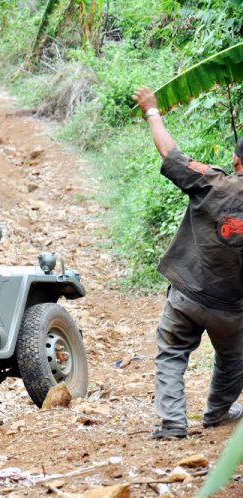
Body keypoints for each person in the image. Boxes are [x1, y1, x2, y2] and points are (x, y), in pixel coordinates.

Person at [132, 86, 243, 439]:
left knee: (171, 355)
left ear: (236, 161)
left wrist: (152, 111)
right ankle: (215, 414)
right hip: (233, 308)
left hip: (187, 293)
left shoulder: (213, 182)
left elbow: (170, 152)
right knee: (233, 362)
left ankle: (172, 424)